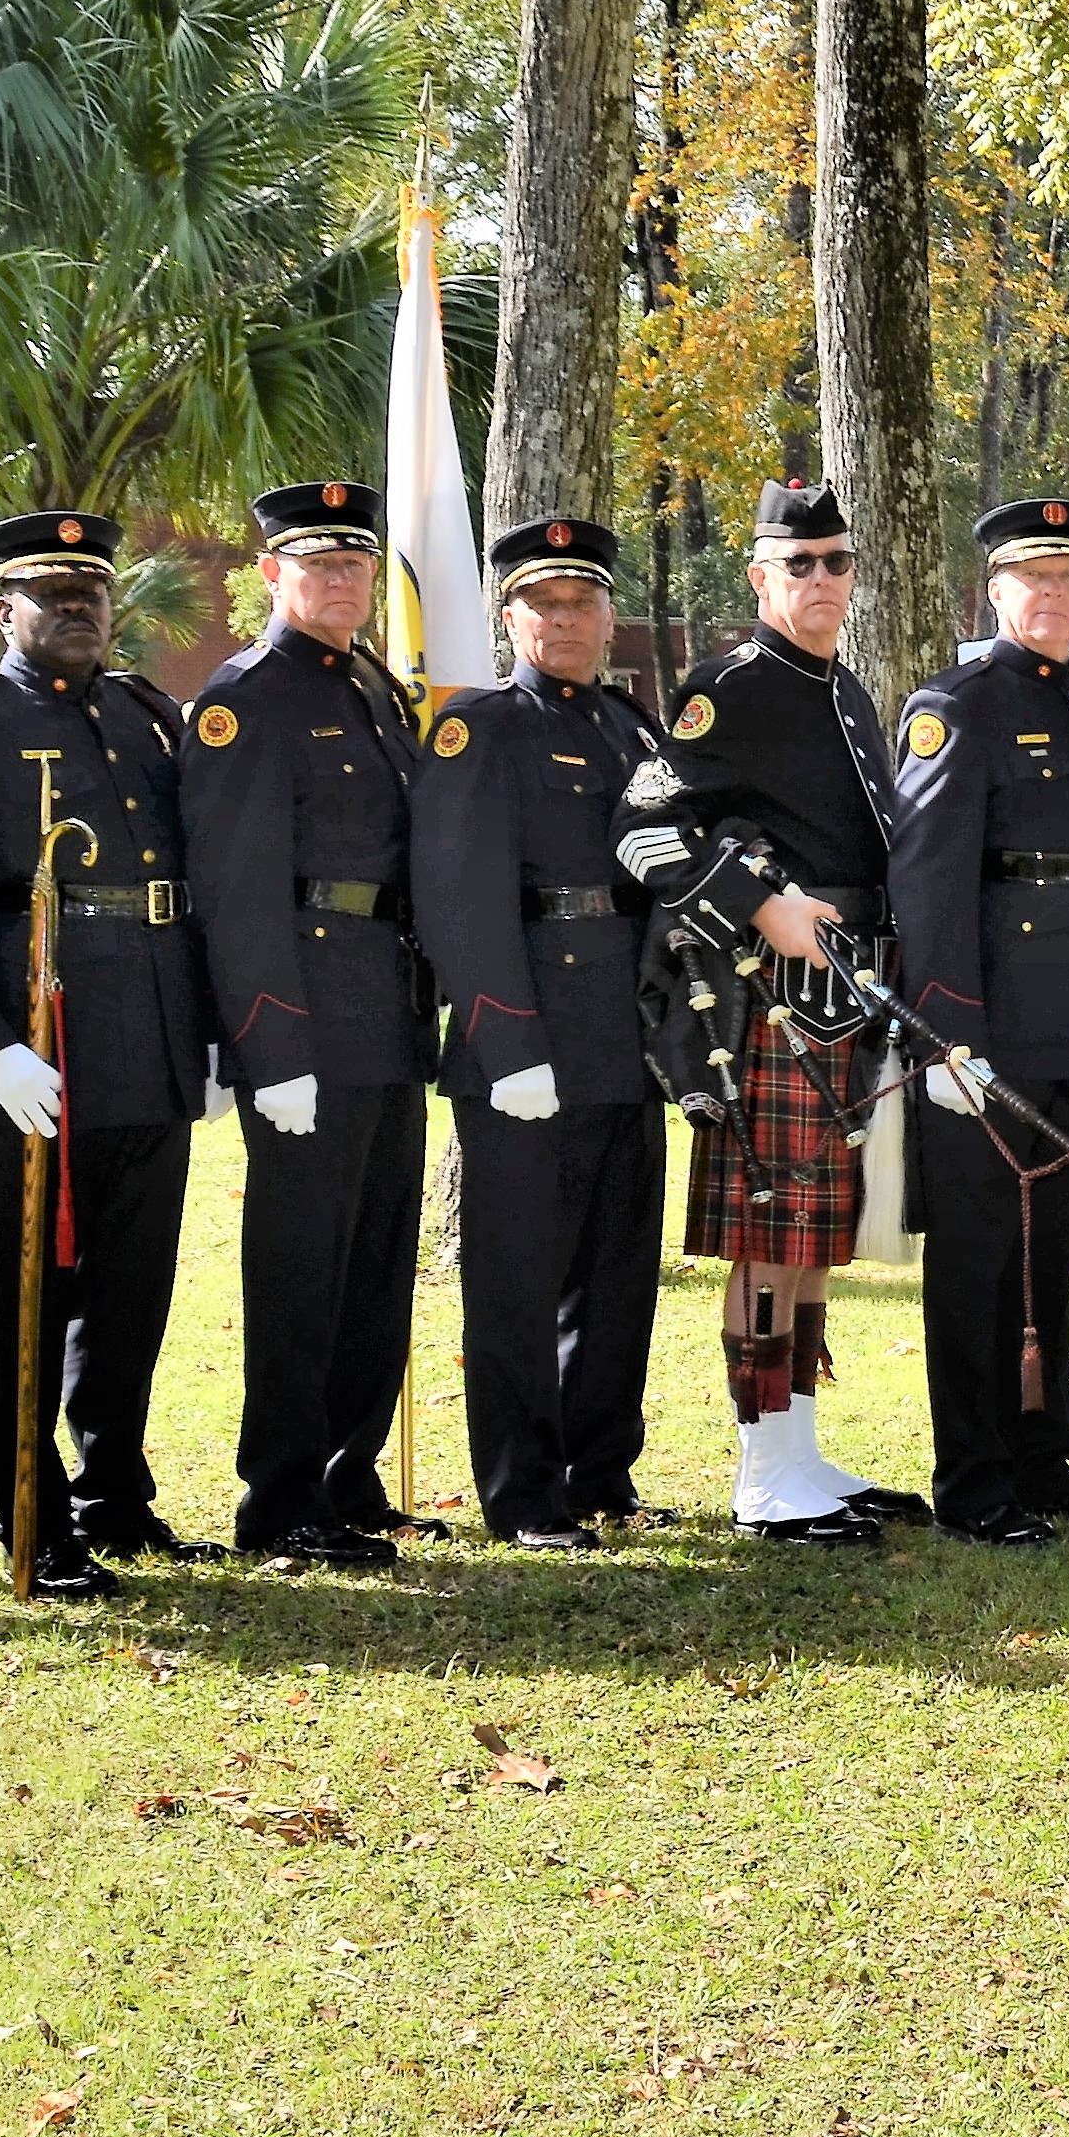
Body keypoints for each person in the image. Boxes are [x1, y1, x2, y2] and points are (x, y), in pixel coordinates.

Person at [0, 509, 222, 1592]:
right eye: (50, 594)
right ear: (2, 611)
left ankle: (112, 1495)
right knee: (33, 1286)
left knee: (133, 1287)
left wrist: (200, 1033)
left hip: (150, 1033)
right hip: (35, 1044)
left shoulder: (141, 714)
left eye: (92, 593)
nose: (76, 609)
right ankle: (29, 1514)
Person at [616, 479, 911, 1545]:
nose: (823, 579)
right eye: (800, 565)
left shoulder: (847, 691)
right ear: (758, 577)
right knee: (770, 1233)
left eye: (836, 561)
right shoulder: (728, 687)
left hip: (850, 998)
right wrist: (761, 907)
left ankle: (799, 1449)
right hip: (774, 1003)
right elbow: (641, 832)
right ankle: (759, 1472)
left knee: (813, 1236)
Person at [179, 479, 436, 1571]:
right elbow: (235, 891)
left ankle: (347, 1475)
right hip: (306, 1017)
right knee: (299, 1268)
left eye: (354, 564)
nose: (339, 581)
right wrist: (269, 1045)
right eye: (316, 563)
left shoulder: (372, 687)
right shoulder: (247, 696)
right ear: (272, 574)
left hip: (384, 1005)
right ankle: (278, 1499)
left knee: (375, 1260)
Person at [413, 517, 677, 1553]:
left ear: (609, 617)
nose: (566, 620)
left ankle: (600, 1468)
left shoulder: (630, 729)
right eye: (544, 603)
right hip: (526, 1040)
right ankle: (522, 1491)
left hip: (622, 1032)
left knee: (617, 1272)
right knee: (518, 1276)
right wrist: (506, 1042)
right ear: (510, 618)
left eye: (583, 602)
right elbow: (458, 900)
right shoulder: (477, 730)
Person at [890, 497, 1069, 1545]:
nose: (1051, 595)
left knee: (1053, 1253)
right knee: (979, 1256)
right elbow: (927, 878)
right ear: (993, 591)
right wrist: (944, 1035)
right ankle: (974, 1478)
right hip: (984, 1032)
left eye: (1068, 579)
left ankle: (1042, 1457)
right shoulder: (958, 703)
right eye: (1031, 579)